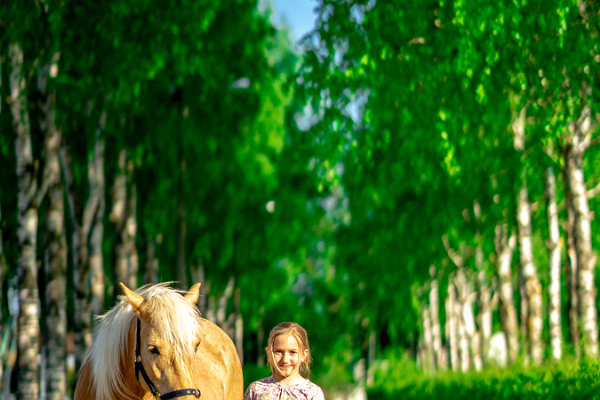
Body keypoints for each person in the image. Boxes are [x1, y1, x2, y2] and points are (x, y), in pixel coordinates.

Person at [244, 322, 325, 400]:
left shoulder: (312, 393)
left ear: (303, 355)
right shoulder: (256, 390)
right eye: (279, 351)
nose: (285, 359)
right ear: (269, 353)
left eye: (292, 352)